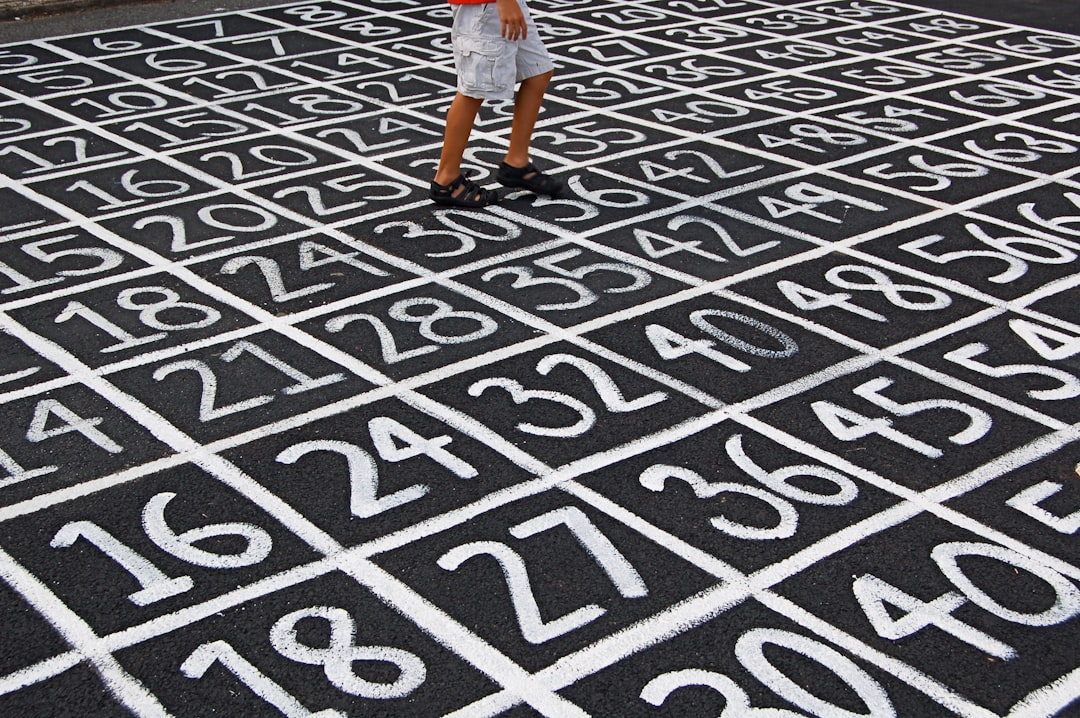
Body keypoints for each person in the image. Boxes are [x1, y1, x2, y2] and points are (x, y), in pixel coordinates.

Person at [430, 0, 564, 207]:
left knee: (538, 72)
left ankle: (516, 162)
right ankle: (446, 179)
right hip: (484, 8)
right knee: (473, 90)